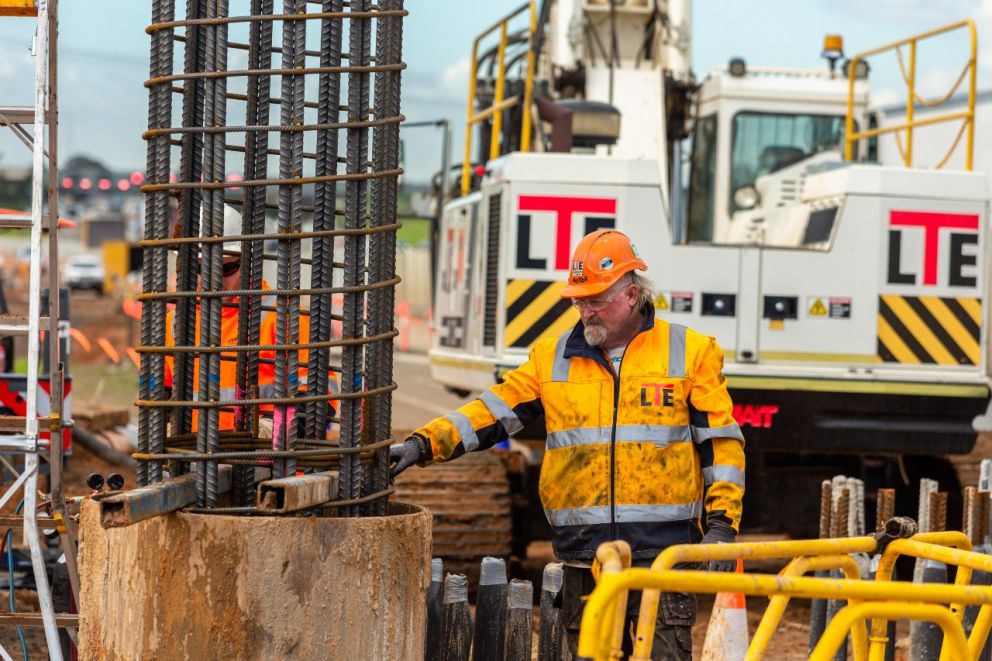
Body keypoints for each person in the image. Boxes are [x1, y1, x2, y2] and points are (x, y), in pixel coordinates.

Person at [390, 229, 745, 659]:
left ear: (632, 295)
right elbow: (489, 413)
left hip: (662, 557)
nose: (585, 311)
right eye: (579, 300)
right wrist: (421, 444)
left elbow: (721, 445)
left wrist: (723, 525)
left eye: (596, 300)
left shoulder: (690, 352)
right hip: (584, 557)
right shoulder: (551, 358)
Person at [163, 204, 337, 438]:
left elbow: (323, 396)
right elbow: (162, 392)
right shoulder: (177, 324)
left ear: (246, 262)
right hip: (199, 463)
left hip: (272, 467)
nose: (214, 281)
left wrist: (272, 430)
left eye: (226, 269)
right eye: (203, 268)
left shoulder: (281, 317)